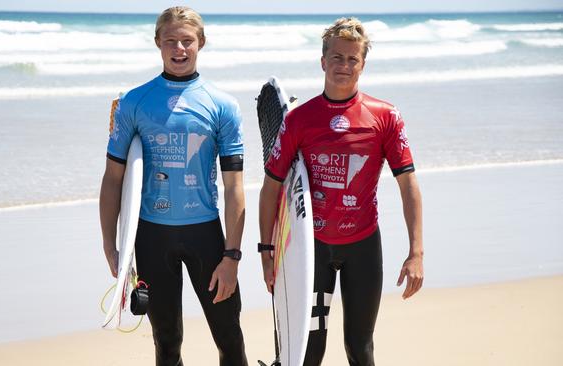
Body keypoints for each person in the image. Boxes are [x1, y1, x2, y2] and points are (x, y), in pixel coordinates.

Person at [258, 17, 424, 366]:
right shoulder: (299, 120)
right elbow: (271, 186)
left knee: (360, 348)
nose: (344, 65)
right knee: (307, 351)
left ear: (363, 64)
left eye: (352, 59)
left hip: (362, 246)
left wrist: (416, 252)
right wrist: (267, 251)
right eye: (337, 57)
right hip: (310, 249)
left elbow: (408, 184)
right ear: (323, 61)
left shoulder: (385, 116)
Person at [100, 7, 248, 366]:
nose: (179, 49)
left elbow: (234, 187)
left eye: (187, 41)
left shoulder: (223, 105)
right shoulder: (133, 102)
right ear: (157, 43)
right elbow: (113, 178)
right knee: (166, 343)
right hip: (152, 237)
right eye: (171, 41)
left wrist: (231, 255)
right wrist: (111, 245)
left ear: (201, 43)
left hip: (206, 236)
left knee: (229, 337)